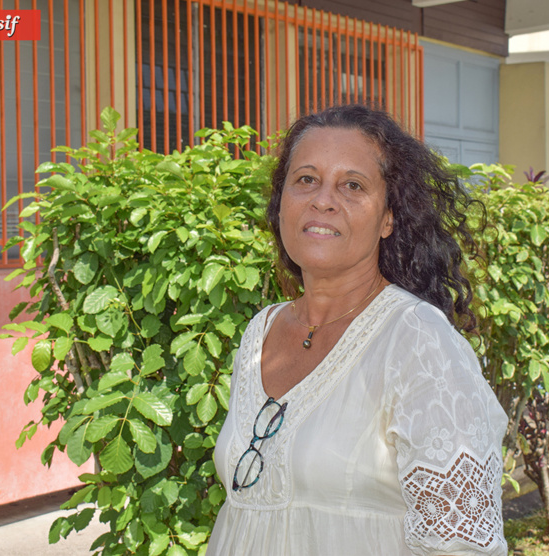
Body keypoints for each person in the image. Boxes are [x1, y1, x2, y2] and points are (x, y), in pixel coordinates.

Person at [210, 105, 508, 555]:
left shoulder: (417, 342)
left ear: (389, 217)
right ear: (281, 201)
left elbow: (463, 547)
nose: (323, 200)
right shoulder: (261, 330)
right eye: (306, 179)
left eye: (353, 185)